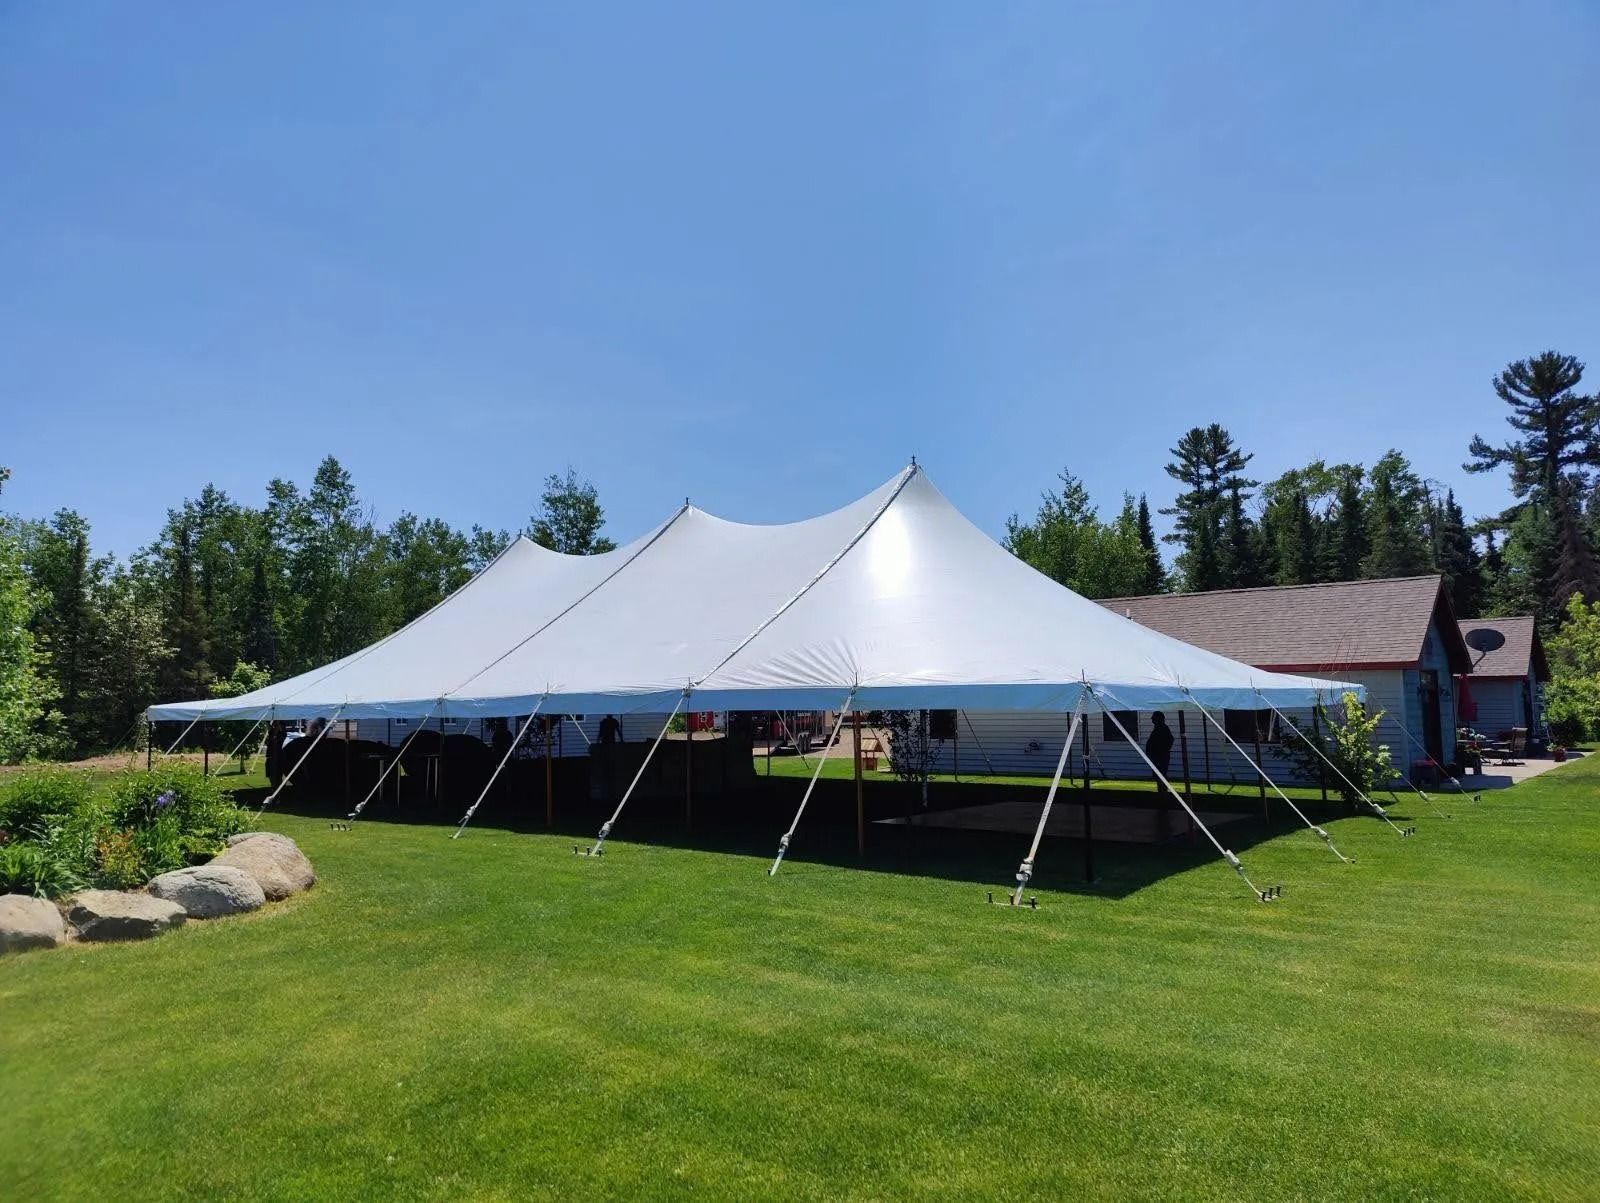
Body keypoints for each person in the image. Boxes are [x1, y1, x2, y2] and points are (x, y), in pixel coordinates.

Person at [1145, 711, 1174, 780]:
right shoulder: (1157, 728)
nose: (1152, 720)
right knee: (1158, 776)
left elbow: (1170, 740)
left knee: (1161, 775)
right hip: (1156, 756)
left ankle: (1162, 790)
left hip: (1160, 756)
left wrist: (1162, 751)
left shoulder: (1163, 728)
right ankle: (1161, 789)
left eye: (1154, 719)